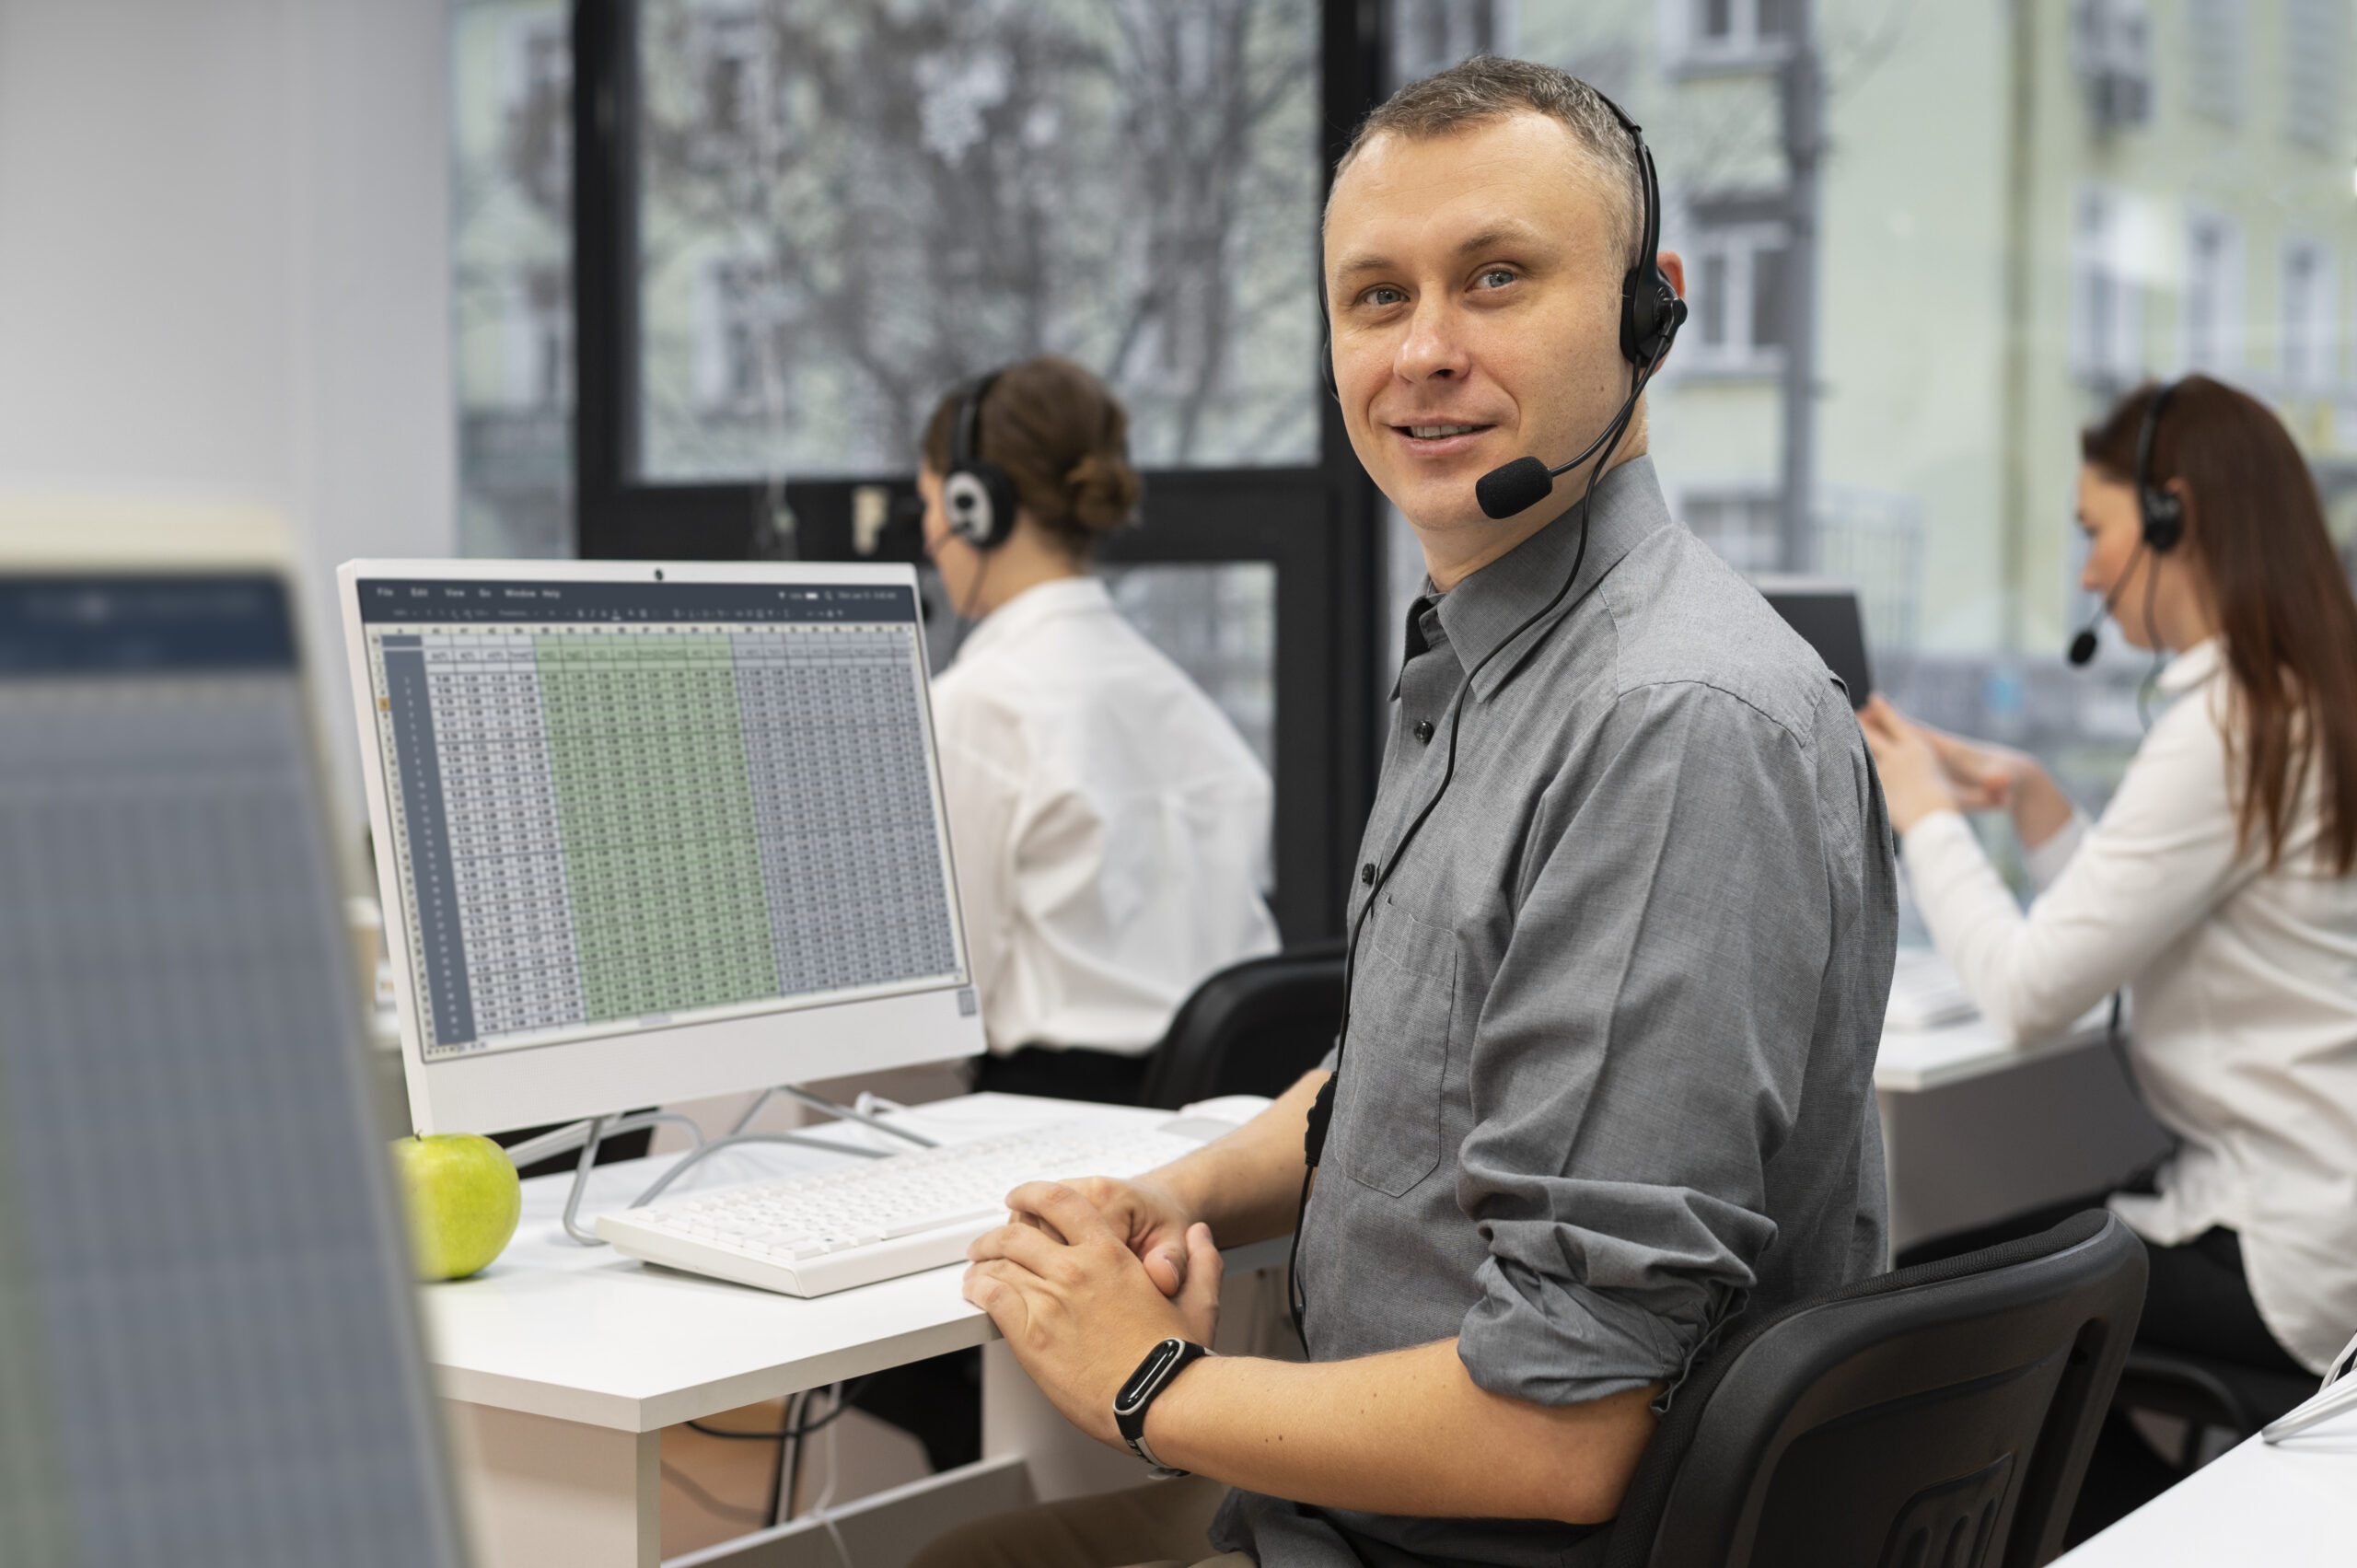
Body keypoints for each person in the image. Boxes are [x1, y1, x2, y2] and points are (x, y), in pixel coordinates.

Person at [912, 57, 1895, 1568]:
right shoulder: (1496, 662)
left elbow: (1562, 1429)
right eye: (1377, 298)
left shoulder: (1665, 721)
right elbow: (1400, 1081)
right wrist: (1163, 1191)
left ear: (1654, 309)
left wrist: (1150, 1379)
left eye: (1496, 278)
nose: (1424, 350)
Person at [1860, 377, 2357, 1518]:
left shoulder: (2223, 726)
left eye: (2097, 531)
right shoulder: (2284, 696)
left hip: (2283, 1244)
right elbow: (2148, 910)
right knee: (2001, 1260)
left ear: (2173, 517)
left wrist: (1925, 811)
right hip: (2316, 1201)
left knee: (1931, 1286)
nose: (2085, 570)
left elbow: (2034, 991)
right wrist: (2031, 802)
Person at [920, 354, 1282, 1107]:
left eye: (928, 504)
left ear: (972, 507)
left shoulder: (975, 709)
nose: (928, 534)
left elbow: (935, 1011)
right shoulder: (1182, 703)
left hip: (1044, 1130)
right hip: (1213, 1130)